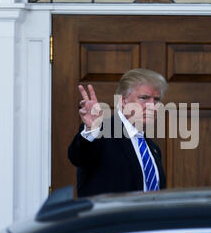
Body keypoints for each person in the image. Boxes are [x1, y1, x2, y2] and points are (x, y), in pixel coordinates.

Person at [68, 68, 167, 197]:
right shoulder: (101, 132)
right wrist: (92, 129)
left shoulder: (153, 148)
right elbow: (78, 157)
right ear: (123, 101)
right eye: (144, 98)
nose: (152, 106)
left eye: (156, 100)